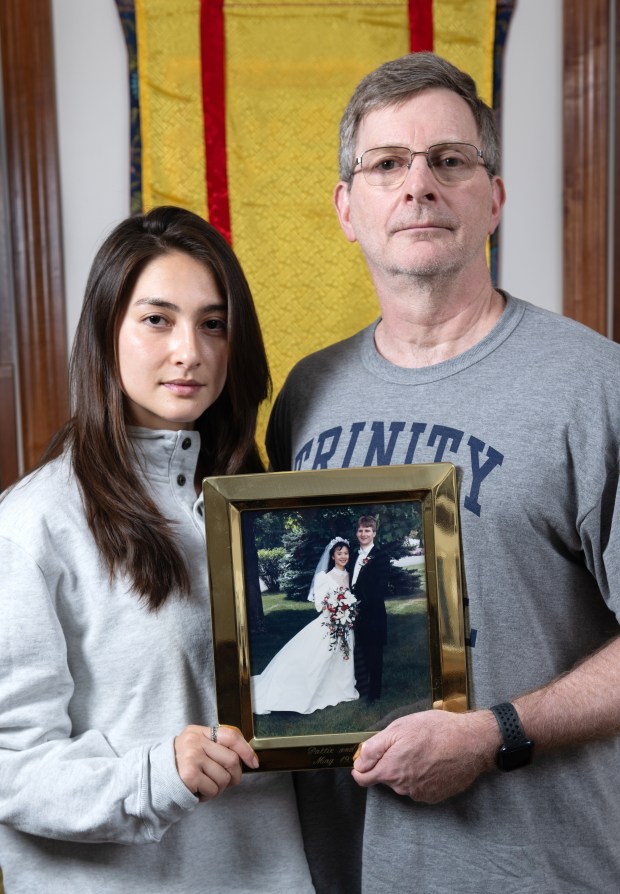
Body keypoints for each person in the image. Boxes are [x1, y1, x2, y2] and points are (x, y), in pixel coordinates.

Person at [266, 51, 620, 892]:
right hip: (351, 873)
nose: (418, 184)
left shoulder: (595, 383)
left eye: (450, 161)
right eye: (387, 164)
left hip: (542, 872)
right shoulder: (306, 395)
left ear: (493, 198)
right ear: (348, 208)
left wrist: (494, 732)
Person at [0, 206, 315, 893]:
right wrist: (156, 774)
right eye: (157, 319)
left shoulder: (266, 513)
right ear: (106, 331)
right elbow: (8, 769)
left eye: (212, 323)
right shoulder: (33, 524)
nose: (189, 352)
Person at [251, 536, 359, 714]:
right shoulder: (324, 577)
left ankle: (341, 690)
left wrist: (347, 610)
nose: (343, 556)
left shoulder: (350, 575)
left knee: (343, 657)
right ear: (332, 556)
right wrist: (335, 609)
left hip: (346, 625)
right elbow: (319, 604)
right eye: (339, 553)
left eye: (346, 553)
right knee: (318, 659)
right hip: (329, 624)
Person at [350, 515, 389, 703]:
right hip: (353, 614)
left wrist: (360, 606)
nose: (363, 534)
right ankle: (360, 688)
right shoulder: (352, 556)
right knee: (359, 652)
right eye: (360, 530)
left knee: (374, 653)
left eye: (367, 530)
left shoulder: (380, 556)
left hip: (372, 614)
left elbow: (379, 589)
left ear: (374, 533)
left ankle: (374, 694)